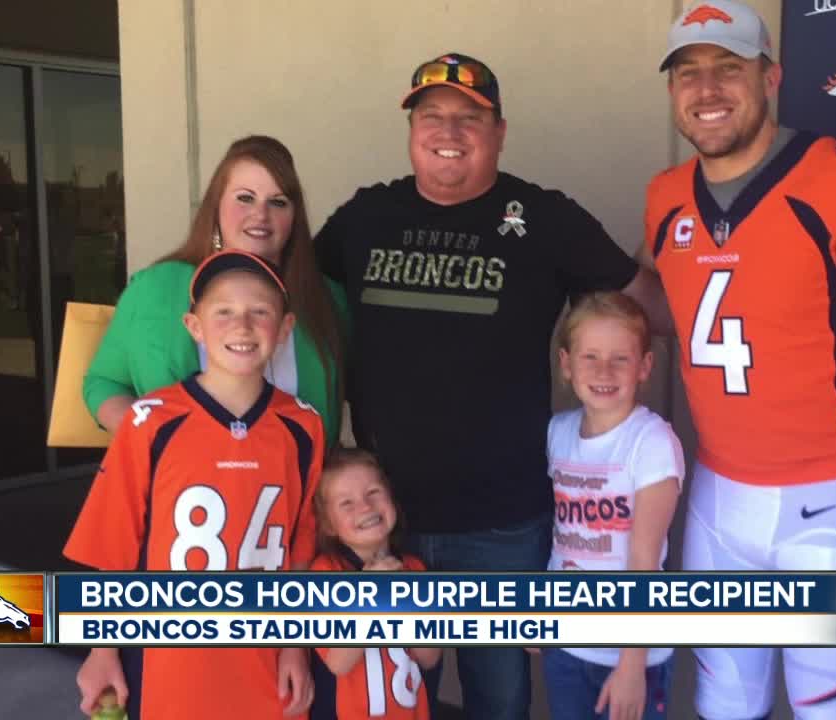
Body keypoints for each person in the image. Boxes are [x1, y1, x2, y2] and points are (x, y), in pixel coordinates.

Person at [314, 52, 667, 720]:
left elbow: (644, 305)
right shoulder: (365, 217)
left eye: (469, 117)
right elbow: (284, 297)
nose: (449, 129)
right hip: (385, 520)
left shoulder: (543, 218)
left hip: (501, 524)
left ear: (499, 131)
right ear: (412, 130)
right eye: (431, 116)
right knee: (388, 692)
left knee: (498, 700)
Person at [643, 2, 836, 719]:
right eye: (689, 73)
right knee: (723, 700)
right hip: (717, 500)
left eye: (730, 67)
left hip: (829, 501)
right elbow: (687, 310)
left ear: (772, 77)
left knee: (827, 705)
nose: (708, 88)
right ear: (672, 92)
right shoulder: (666, 198)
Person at [65, 250, 323, 719]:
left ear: (284, 329)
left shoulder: (302, 427)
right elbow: (113, 547)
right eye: (223, 312)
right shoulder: (150, 422)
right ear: (195, 327)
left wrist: (296, 647)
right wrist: (102, 651)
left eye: (259, 312)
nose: (241, 326)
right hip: (170, 658)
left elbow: (299, 548)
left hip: (263, 656)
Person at [85, 135, 345, 447]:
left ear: (294, 217)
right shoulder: (156, 288)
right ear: (216, 205)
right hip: (182, 489)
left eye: (278, 202)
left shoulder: (327, 298)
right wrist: (155, 439)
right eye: (245, 198)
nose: (260, 214)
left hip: (298, 491)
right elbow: (104, 383)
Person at [542, 292, 683, 720]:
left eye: (620, 359)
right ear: (566, 364)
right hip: (567, 642)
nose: (604, 371)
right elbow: (563, 537)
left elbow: (644, 561)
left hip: (627, 653)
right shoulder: (558, 432)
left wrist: (632, 662)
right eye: (590, 357)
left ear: (644, 366)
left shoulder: (651, 441)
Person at [309, 448, 442, 720]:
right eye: (346, 503)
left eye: (373, 493)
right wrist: (373, 593)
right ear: (328, 525)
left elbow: (430, 657)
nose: (366, 507)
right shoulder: (324, 574)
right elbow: (338, 661)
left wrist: (408, 599)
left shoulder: (415, 569)